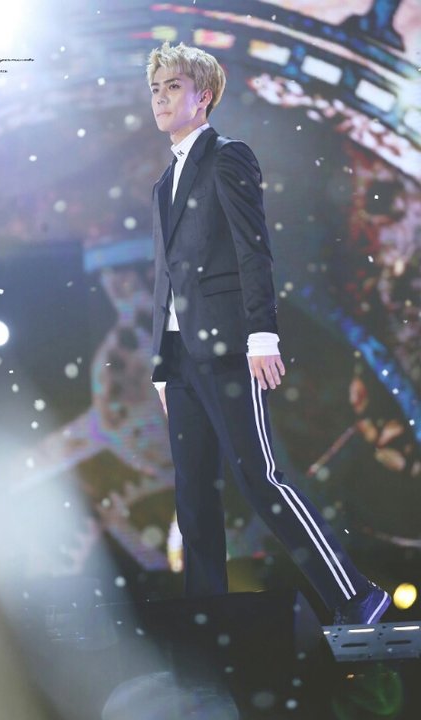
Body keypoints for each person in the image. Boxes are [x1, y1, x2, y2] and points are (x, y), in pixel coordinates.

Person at [146, 41, 390, 624]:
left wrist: (262, 335)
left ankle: (356, 594)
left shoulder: (227, 156)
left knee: (261, 478)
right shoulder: (163, 182)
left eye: (173, 86)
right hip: (179, 355)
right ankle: (205, 621)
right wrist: (160, 361)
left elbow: (253, 249)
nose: (160, 98)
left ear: (204, 96)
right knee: (193, 496)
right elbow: (164, 278)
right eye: (155, 89)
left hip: (229, 344)